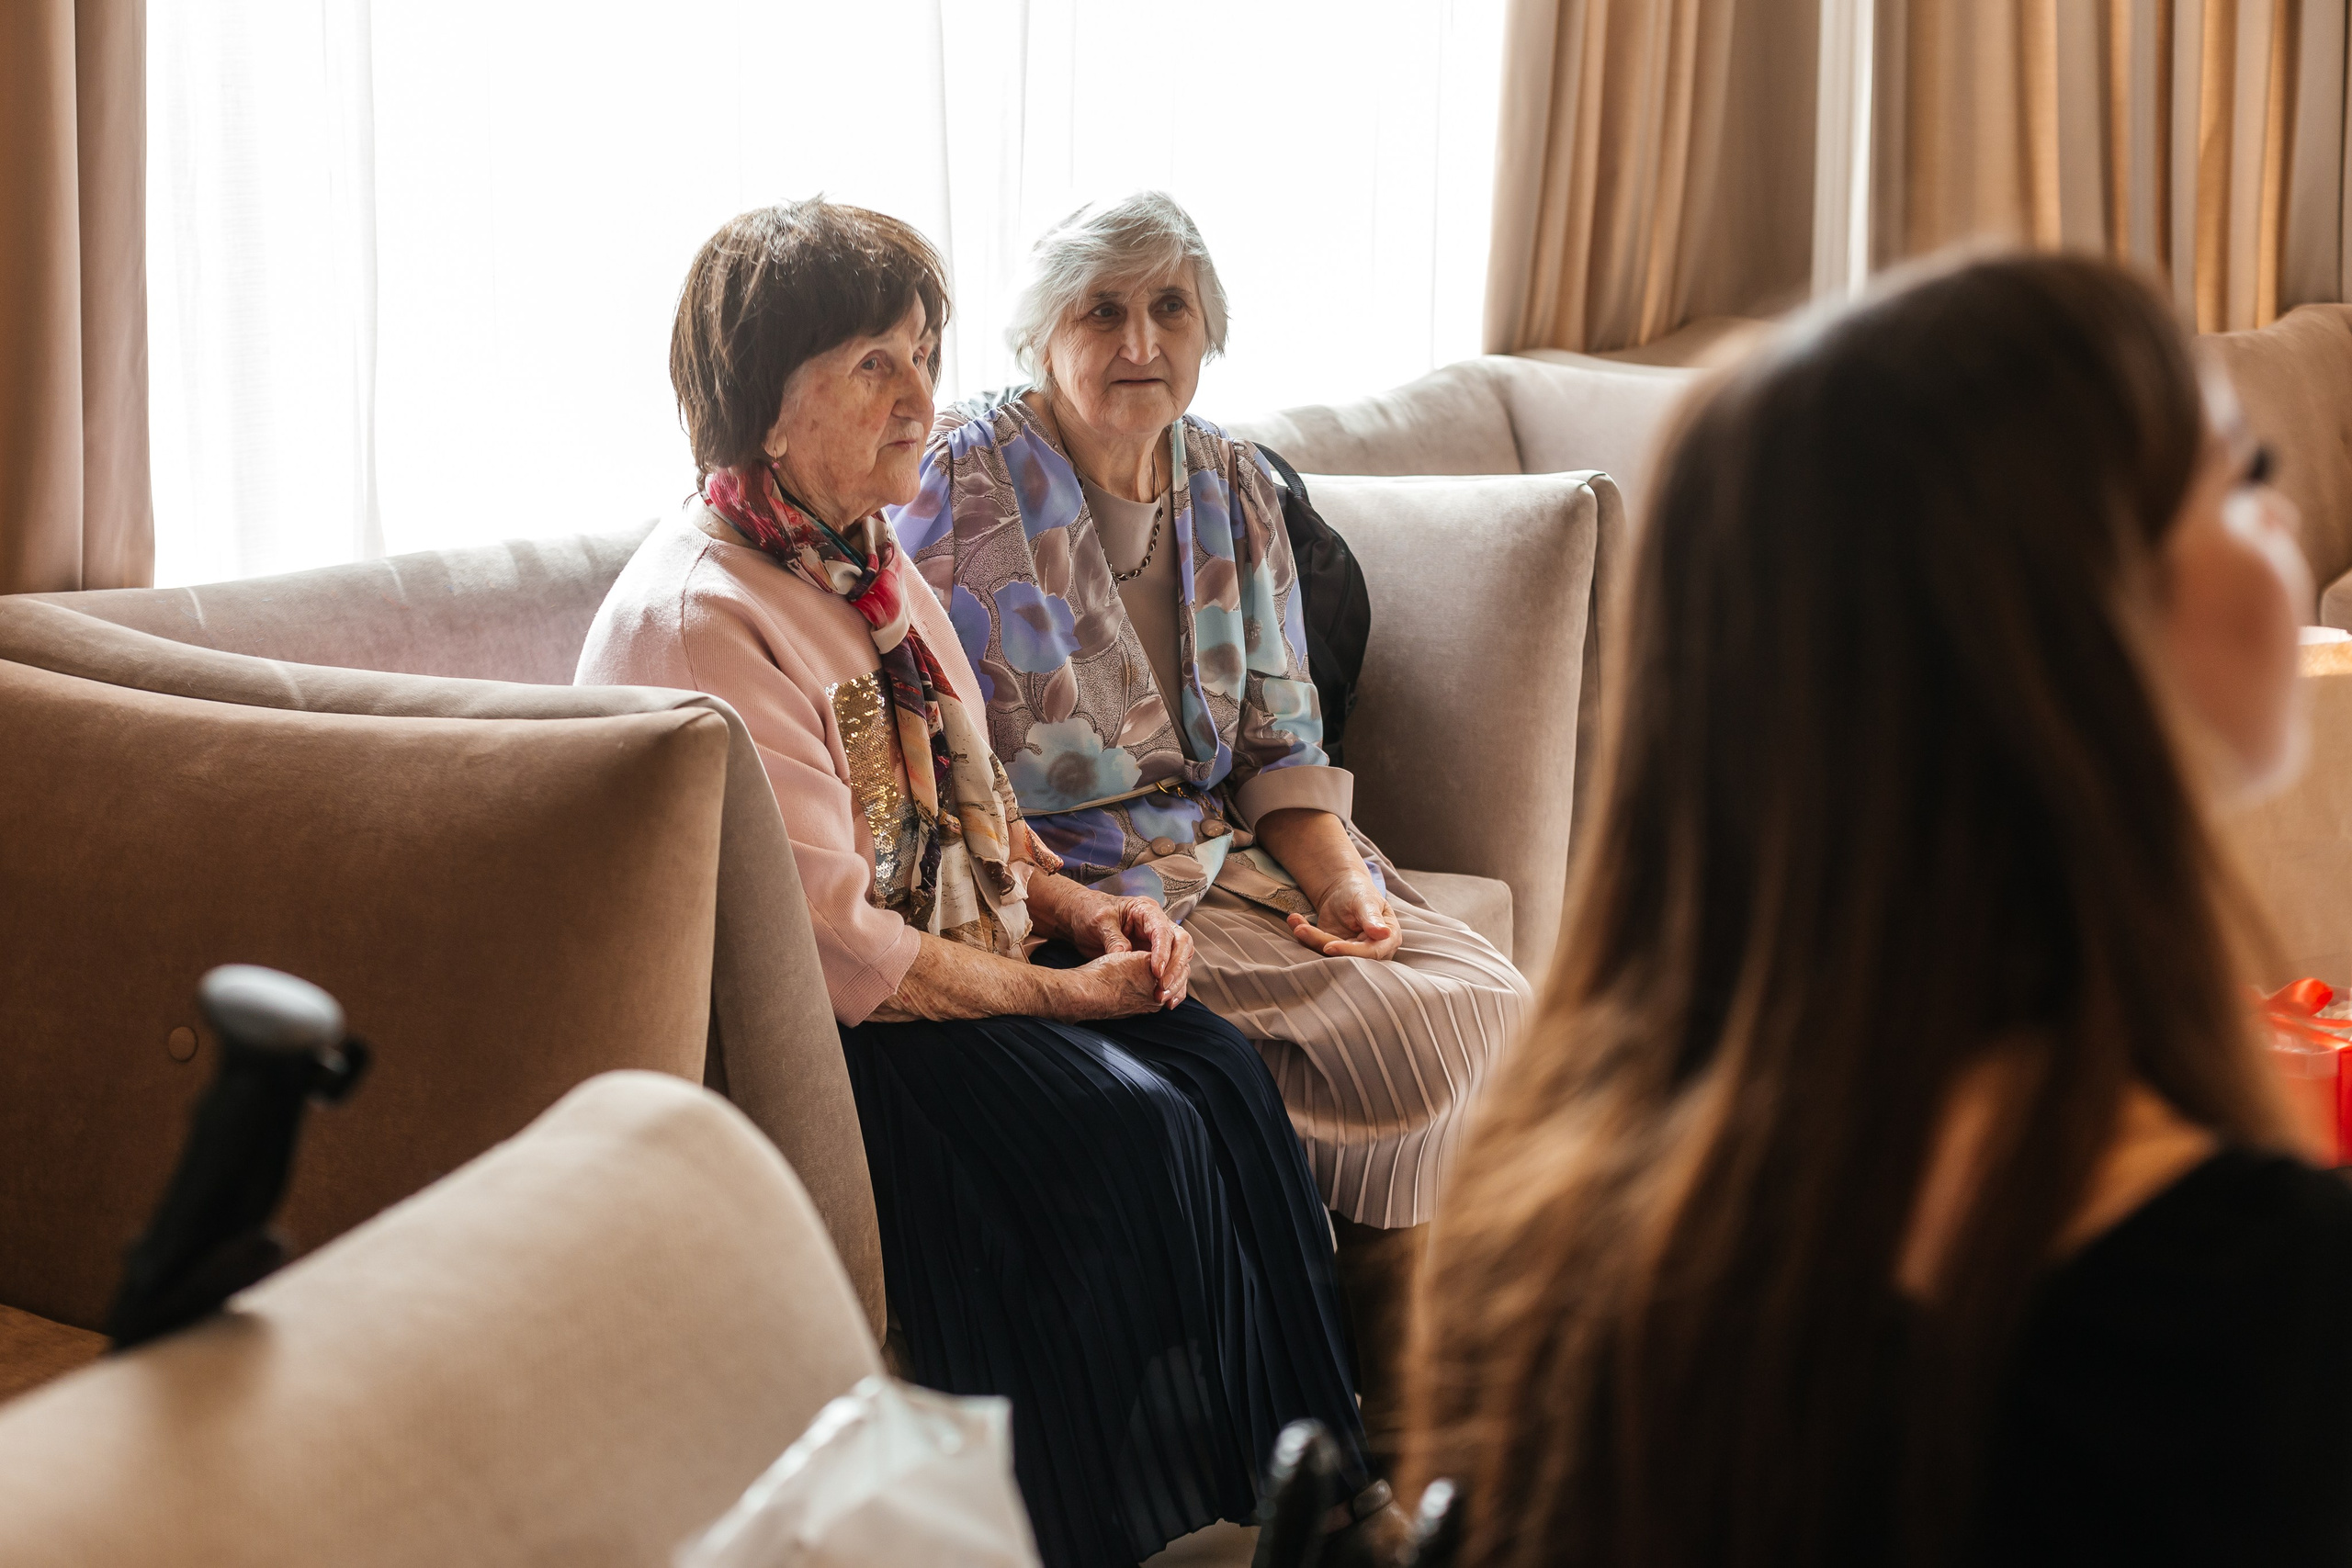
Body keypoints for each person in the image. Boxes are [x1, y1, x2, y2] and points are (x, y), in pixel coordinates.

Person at [1401, 251, 2339, 1568]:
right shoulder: (2255, 1298)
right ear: (2067, 633)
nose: (2287, 518)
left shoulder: (1546, 1207)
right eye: (2241, 479)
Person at [574, 198, 1390, 1568]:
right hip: (839, 1045)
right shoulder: (705, 620)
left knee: (1224, 1077)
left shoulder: (863, 564)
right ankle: (1082, 1531)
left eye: (919, 356)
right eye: (872, 368)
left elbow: (980, 816)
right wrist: (1068, 1002)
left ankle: (1326, 1500)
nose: (919, 398)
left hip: (942, 964)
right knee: (1132, 1131)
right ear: (768, 414)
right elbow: (839, 949)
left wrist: (1088, 913)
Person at [889, 193, 1531, 1460]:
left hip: (1234, 854)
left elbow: (1283, 743)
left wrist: (1343, 884)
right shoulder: (958, 482)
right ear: (1041, 337)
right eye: (1102, 309)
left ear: (1207, 329)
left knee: (1490, 995)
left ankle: (1388, 1391)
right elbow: (927, 745)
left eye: (1169, 306)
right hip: (1077, 889)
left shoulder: (1231, 479)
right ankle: (1387, 1426)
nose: (1141, 339)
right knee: (1405, 1041)